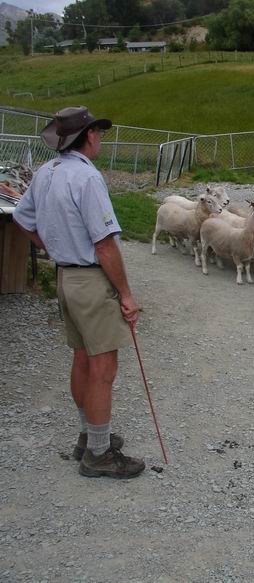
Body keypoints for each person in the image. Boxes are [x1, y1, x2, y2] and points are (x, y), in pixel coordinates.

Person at [13, 106, 146, 479]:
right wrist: (126, 294)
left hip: (66, 278)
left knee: (83, 358)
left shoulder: (46, 172)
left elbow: (24, 219)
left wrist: (52, 247)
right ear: (88, 136)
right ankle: (99, 455)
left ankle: (89, 437)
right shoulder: (87, 179)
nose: (100, 138)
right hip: (90, 279)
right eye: (98, 133)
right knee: (103, 366)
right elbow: (104, 245)